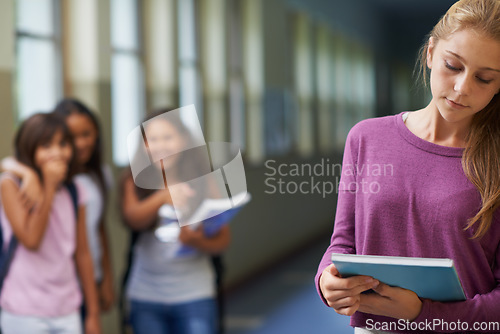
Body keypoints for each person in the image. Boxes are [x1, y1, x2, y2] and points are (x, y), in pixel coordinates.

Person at [316, 0, 500, 332]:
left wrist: (422, 313)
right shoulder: (366, 138)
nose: (462, 88)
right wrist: (326, 281)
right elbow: (342, 243)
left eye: (484, 78)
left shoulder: (495, 161)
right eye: (452, 66)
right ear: (430, 53)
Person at [119, 108, 230, 334]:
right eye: (152, 139)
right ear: (144, 145)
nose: (161, 146)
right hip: (145, 294)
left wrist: (196, 242)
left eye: (168, 138)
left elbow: (223, 239)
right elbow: (131, 219)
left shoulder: (204, 181)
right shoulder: (134, 180)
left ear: (184, 139)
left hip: (195, 294)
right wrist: (162, 197)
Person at [1, 98, 115, 314]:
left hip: (85, 279)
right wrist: (29, 174)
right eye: (71, 138)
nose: (80, 143)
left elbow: (98, 229)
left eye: (86, 134)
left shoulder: (95, 177)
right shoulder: (38, 179)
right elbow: (8, 163)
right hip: (50, 287)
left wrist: (107, 278)